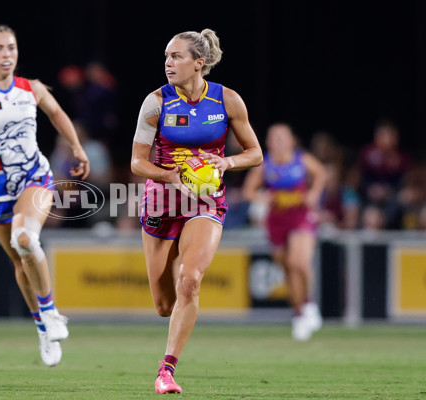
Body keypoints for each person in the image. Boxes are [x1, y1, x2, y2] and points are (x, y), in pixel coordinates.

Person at [0, 25, 90, 367]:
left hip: (34, 177)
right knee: (20, 262)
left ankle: (51, 312)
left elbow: (56, 113)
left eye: (11, 48)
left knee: (26, 239)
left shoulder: (31, 88)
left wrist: (76, 147)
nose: (6, 54)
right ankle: (41, 327)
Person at [131, 29, 262, 394]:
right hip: (161, 201)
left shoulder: (227, 100)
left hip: (206, 202)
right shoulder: (156, 102)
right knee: (163, 304)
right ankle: (174, 309)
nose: (168, 63)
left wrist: (226, 162)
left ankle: (166, 371)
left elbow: (255, 153)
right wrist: (169, 176)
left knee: (190, 279)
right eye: (166, 57)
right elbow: (137, 163)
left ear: (198, 63)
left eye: (176, 57)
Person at [242, 123, 327, 341]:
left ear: (292, 140)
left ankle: (309, 304)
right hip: (276, 221)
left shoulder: (301, 159)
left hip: (300, 217)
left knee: (299, 262)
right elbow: (248, 191)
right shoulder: (265, 164)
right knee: (288, 269)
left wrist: (315, 193)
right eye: (274, 138)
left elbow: (321, 174)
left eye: (283, 137)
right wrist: (262, 198)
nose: (279, 141)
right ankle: (298, 314)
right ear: (269, 142)